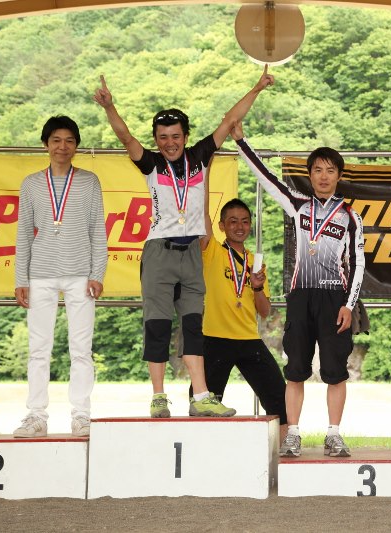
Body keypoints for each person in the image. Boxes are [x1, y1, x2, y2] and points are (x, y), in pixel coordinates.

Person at [93, 67, 274, 418]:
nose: (169, 143)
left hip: (191, 252)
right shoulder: (150, 164)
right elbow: (125, 137)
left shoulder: (200, 156)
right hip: (159, 253)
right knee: (158, 324)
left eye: (175, 136)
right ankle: (158, 396)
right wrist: (109, 107)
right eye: (162, 137)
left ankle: (202, 395)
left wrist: (257, 87)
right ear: (156, 139)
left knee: (193, 325)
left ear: (185, 136)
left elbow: (229, 119)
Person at [231, 121, 365, 458]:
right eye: (317, 170)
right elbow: (265, 176)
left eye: (330, 171)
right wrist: (241, 141)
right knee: (295, 371)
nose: (323, 176)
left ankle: (334, 435)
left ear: (339, 176)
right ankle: (292, 434)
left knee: (335, 372)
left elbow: (358, 263)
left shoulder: (350, 216)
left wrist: (349, 305)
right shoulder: (298, 204)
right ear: (309, 174)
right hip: (301, 296)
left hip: (335, 298)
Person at [13, 115, 108, 438]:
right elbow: (23, 234)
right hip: (40, 274)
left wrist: (97, 273)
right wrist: (21, 279)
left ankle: (81, 415)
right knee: (39, 349)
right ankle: (36, 416)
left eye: (69, 141)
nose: (62, 146)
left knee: (81, 349)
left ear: (76, 145)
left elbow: (98, 231)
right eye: (56, 140)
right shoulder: (31, 184)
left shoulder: (89, 181)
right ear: (46, 144)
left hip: (81, 275)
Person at [187, 197, 287, 436]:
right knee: (203, 403)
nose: (239, 226)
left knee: (280, 398)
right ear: (222, 226)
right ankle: (198, 449)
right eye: (232, 221)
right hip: (215, 338)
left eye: (244, 221)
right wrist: (204, 176)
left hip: (249, 339)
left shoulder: (255, 262)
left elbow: (264, 311)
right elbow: (203, 217)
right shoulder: (212, 251)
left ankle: (286, 449)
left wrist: (257, 287)